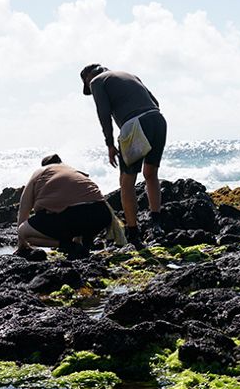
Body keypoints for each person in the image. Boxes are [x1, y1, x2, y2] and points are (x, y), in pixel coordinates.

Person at [80, 64, 167, 248]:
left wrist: (110, 144)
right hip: (158, 120)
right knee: (151, 174)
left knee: (126, 181)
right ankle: (156, 224)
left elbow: (103, 113)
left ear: (88, 78)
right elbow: (155, 102)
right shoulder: (131, 75)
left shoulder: (96, 81)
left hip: (136, 123)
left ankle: (133, 232)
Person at [15, 154, 123, 260]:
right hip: (101, 214)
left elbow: (24, 208)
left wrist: (21, 244)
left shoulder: (40, 171)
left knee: (23, 231)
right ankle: (83, 244)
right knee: (76, 215)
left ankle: (68, 245)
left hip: (73, 217)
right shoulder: (73, 171)